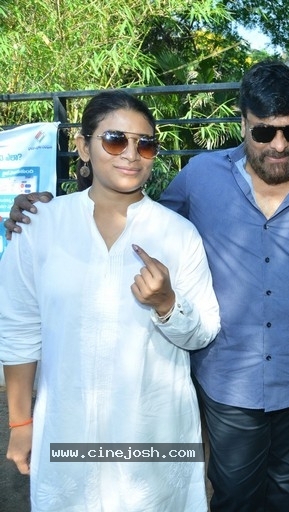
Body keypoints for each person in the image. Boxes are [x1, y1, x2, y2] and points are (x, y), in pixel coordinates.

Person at [3, 61, 289, 512]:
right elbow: (138, 220)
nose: (279, 145)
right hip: (227, 377)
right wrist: (49, 207)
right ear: (243, 123)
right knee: (234, 496)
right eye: (264, 133)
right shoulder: (201, 177)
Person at [0, 90, 221, 510]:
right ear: (83, 146)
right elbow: (18, 329)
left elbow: (205, 330)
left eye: (146, 143)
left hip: (154, 435)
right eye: (116, 139)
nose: (132, 154)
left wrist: (167, 304)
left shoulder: (177, 234)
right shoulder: (39, 226)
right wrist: (21, 422)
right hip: (68, 430)